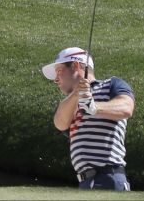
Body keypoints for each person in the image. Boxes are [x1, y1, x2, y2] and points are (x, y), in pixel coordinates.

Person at [44, 47, 135, 191]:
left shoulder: (112, 84)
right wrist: (76, 94)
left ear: (76, 65)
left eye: (59, 71)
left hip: (109, 177)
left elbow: (126, 108)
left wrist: (94, 108)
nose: (56, 79)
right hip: (85, 183)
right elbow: (60, 123)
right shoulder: (68, 103)